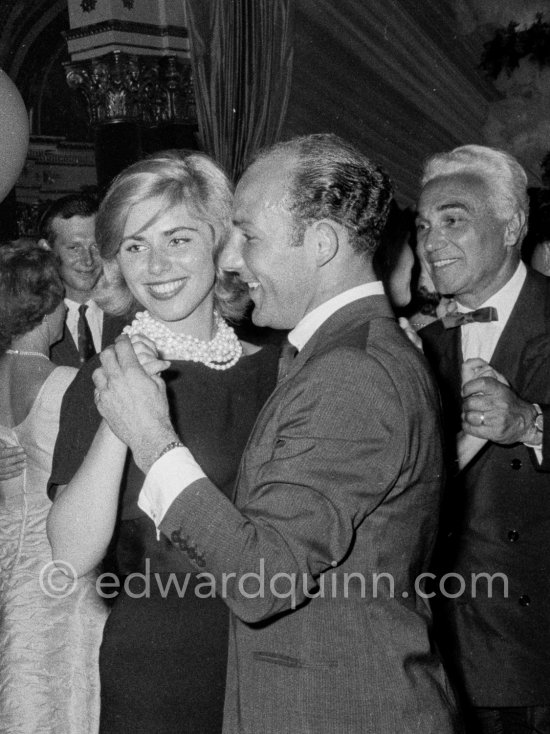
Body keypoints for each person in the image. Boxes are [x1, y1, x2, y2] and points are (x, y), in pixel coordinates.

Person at [83, 134, 461, 733]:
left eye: (250, 238)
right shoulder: (337, 354)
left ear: (321, 244)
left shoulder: (351, 373)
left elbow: (264, 580)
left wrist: (153, 439)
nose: (234, 261)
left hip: (336, 712)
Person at [47, 151, 279, 734]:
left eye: (177, 239)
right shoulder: (101, 375)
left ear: (222, 246)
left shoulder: (283, 368)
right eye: (134, 246)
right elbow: (71, 555)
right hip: (161, 667)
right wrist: (122, 412)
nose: (155, 265)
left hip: (280, 656)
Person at [416, 144, 550, 734]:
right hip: (437, 657)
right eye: (423, 226)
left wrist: (530, 423)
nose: (431, 241)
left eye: (452, 219)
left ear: (513, 225)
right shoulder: (418, 345)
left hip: (537, 653)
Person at [0, 239, 107, 734]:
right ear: (49, 308)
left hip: (5, 556)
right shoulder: (71, 384)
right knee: (58, 692)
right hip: (56, 565)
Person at [0, 194, 127, 482]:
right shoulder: (19, 325)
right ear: (47, 249)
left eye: (96, 246)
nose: (88, 259)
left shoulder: (134, 312)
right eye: (74, 247)